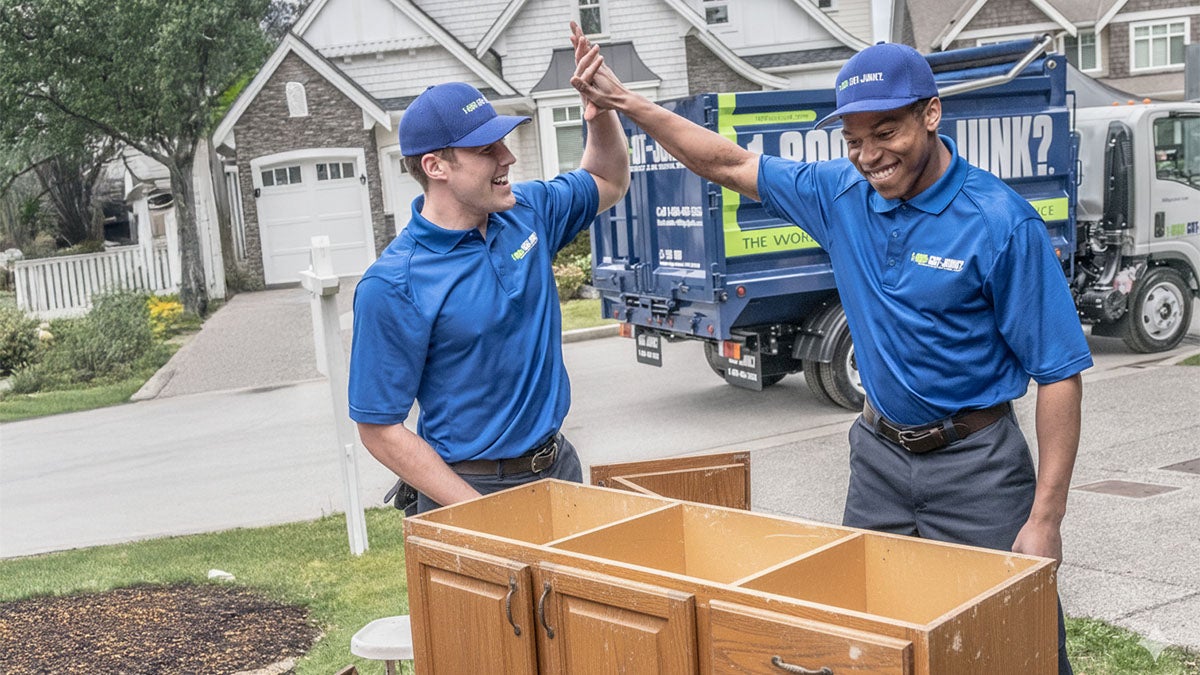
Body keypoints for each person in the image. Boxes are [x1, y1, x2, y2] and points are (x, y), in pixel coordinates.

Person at [571, 30, 1089, 673]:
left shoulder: (999, 222)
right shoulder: (839, 194)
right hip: (878, 460)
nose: (870, 155)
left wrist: (1046, 519)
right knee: (871, 637)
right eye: (854, 139)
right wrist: (629, 105)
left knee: (1016, 644)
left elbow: (1060, 374)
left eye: (887, 132)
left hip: (977, 466)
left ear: (931, 115)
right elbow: (726, 162)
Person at [349, 35, 629, 515]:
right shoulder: (393, 284)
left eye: (503, 140)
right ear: (435, 165)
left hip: (558, 469)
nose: (508, 157)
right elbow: (379, 428)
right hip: (471, 491)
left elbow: (608, 180)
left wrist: (600, 112)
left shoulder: (528, 212)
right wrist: (480, 512)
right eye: (485, 148)